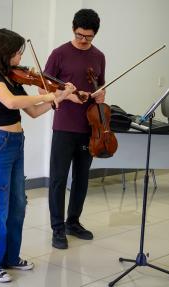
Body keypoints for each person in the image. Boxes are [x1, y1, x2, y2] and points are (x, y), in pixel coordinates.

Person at [0, 28, 76, 283]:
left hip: (16, 142)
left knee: (18, 205)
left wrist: (60, 97)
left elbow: (32, 111)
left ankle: (10, 257)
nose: (21, 56)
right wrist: (47, 94)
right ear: (4, 52)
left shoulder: (14, 79)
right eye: (17, 52)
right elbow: (11, 103)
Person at [43, 9, 106, 249]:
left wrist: (100, 95)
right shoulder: (59, 54)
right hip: (64, 127)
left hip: (90, 126)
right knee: (59, 179)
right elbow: (43, 90)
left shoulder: (99, 56)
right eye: (80, 34)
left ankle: (73, 222)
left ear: (94, 34)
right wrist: (68, 97)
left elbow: (101, 85)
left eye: (88, 37)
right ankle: (57, 229)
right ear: (73, 29)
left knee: (81, 178)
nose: (83, 40)